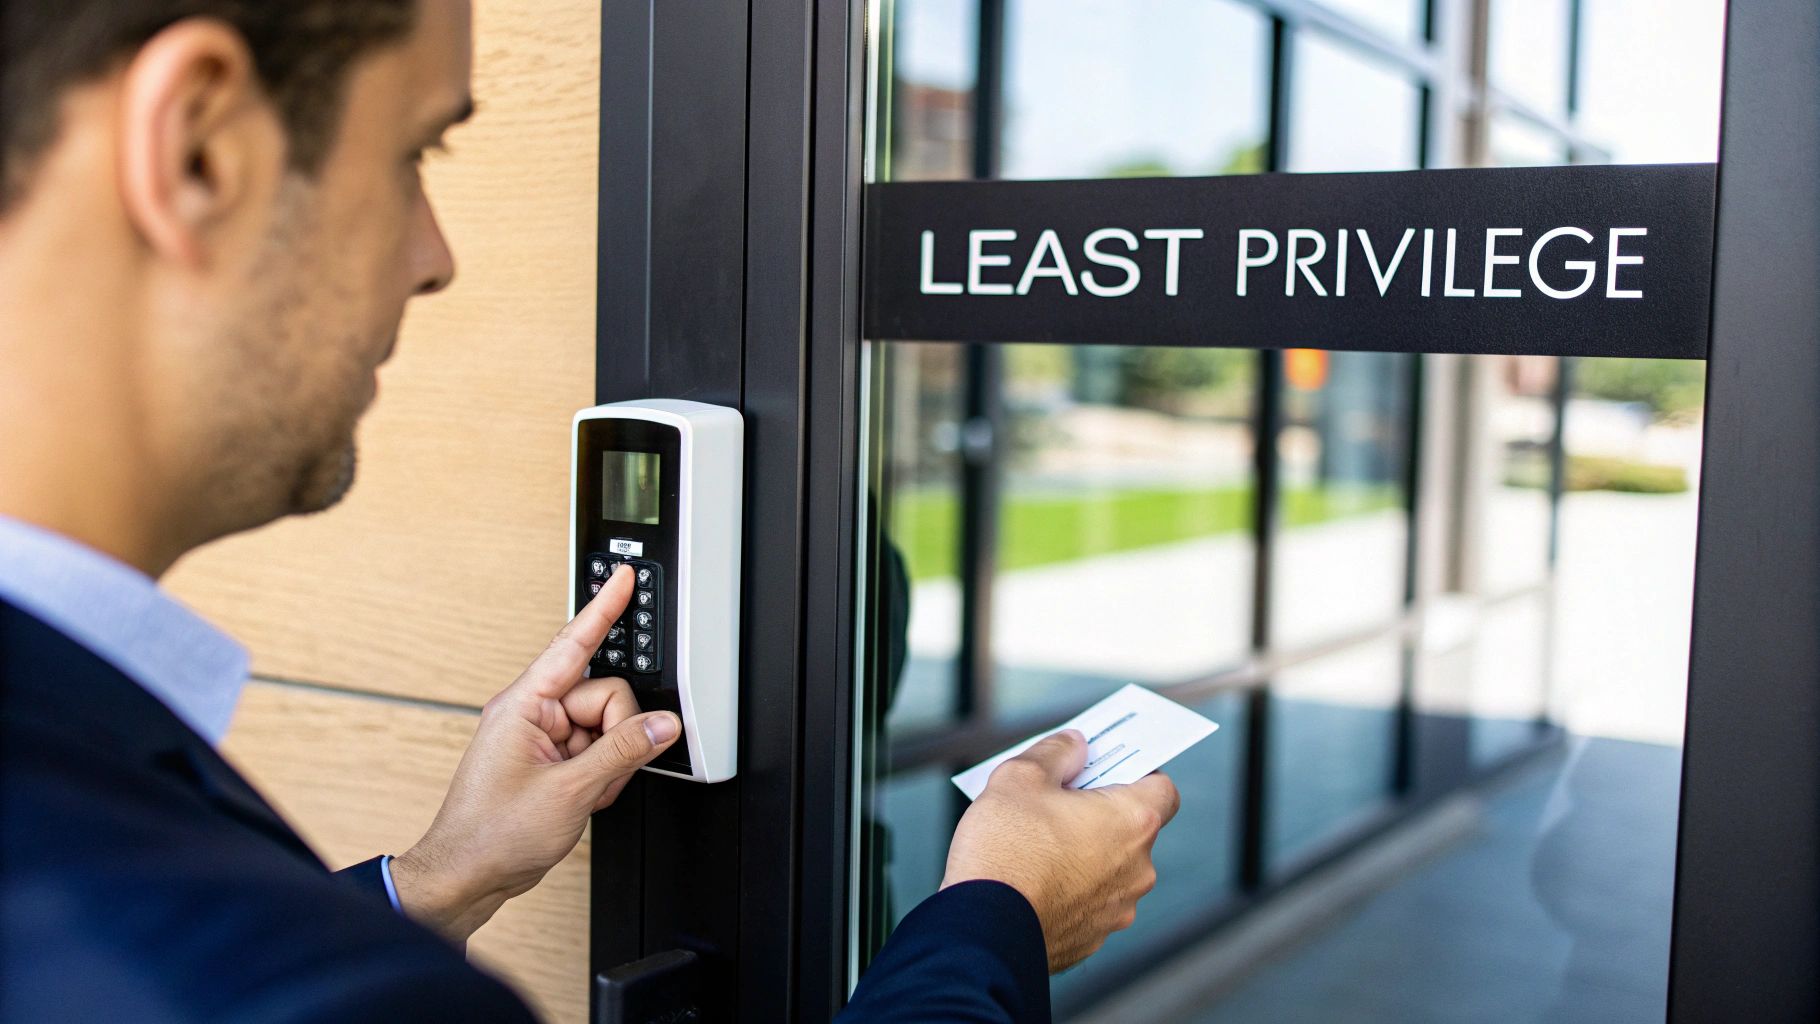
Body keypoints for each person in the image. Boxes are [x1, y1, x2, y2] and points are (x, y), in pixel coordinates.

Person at [0, 2, 1181, 1021]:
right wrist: (997, 915)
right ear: (199, 148)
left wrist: (440, 877)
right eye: (414, 153)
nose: (436, 257)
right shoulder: (243, 964)